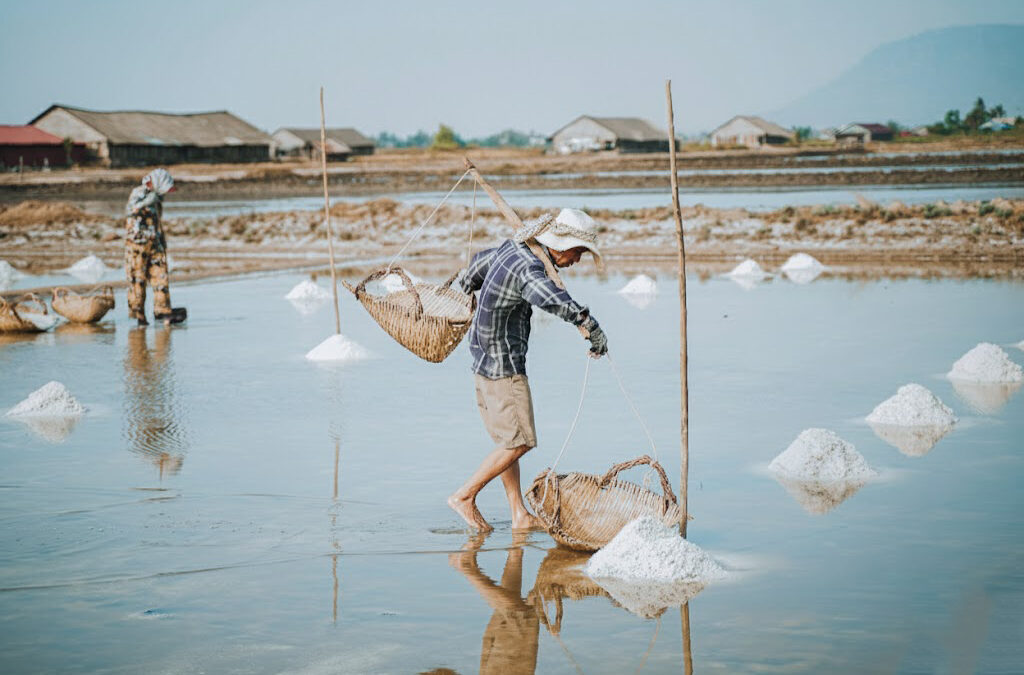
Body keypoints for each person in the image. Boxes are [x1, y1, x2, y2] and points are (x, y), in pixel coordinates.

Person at [448, 206, 608, 532]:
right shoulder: (528, 267)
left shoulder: (512, 248)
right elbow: (548, 297)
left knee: (509, 440)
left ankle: (519, 514)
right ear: (560, 245)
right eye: (577, 252)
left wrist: (466, 289)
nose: (577, 261)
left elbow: (478, 264)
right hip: (504, 365)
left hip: (482, 358)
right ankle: (465, 496)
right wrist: (588, 323)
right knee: (520, 442)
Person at [125, 168, 180, 326]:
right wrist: (145, 202)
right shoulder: (138, 193)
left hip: (155, 243)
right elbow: (130, 211)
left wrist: (162, 241)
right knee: (137, 279)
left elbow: (157, 221)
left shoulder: (157, 198)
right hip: (137, 245)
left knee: (161, 277)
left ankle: (162, 312)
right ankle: (139, 315)